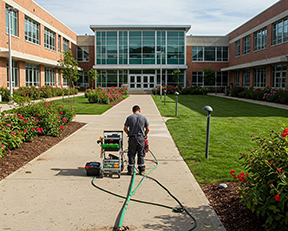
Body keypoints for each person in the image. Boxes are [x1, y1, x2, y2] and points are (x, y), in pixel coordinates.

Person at [124, 105, 150, 175]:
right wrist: (145, 135)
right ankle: (142, 170)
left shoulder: (129, 118)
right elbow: (148, 128)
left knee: (131, 154)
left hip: (132, 138)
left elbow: (125, 128)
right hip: (141, 138)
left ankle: (131, 170)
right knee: (141, 154)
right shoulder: (143, 118)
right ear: (139, 110)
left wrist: (129, 133)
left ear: (132, 111)